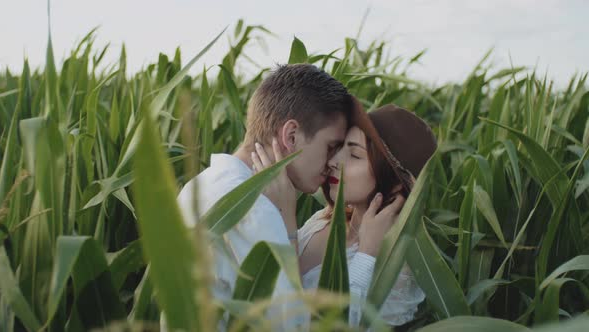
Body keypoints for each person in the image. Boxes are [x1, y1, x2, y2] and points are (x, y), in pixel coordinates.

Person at [166, 63, 355, 331]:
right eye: (331, 146)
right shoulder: (256, 209)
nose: (335, 161)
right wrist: (287, 227)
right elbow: (293, 326)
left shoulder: (198, 187)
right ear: (291, 135)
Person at [251, 101, 437, 328]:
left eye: (355, 155)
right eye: (339, 148)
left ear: (397, 184)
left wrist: (366, 256)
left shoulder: (400, 266)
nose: (333, 162)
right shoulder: (324, 218)